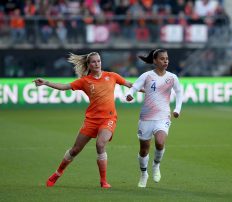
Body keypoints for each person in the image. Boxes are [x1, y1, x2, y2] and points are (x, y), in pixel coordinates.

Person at [33, 52, 134, 188]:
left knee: (100, 145)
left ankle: (103, 181)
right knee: (75, 150)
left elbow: (130, 84)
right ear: (89, 65)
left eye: (98, 61)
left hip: (108, 118)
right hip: (91, 120)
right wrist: (46, 82)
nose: (97, 64)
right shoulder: (85, 81)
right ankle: (57, 173)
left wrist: (151, 90)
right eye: (93, 62)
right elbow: (64, 87)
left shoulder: (112, 76)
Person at [125, 49, 183, 188]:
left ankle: (156, 165)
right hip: (146, 117)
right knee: (144, 150)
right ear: (155, 61)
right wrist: (130, 94)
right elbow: (134, 87)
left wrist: (177, 109)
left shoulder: (172, 77)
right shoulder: (146, 76)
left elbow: (179, 92)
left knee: (160, 142)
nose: (166, 61)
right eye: (162, 59)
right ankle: (144, 173)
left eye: (167, 59)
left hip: (163, 116)